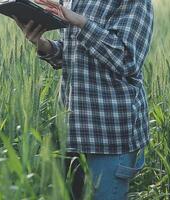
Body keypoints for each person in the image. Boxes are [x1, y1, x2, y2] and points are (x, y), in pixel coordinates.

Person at [12, 0, 153, 199]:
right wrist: (43, 45)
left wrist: (82, 23)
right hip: (71, 132)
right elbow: (73, 54)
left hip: (110, 135)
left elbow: (127, 60)